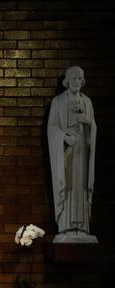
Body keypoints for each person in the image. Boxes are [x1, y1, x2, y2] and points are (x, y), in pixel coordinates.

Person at [47, 65, 98, 243]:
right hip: (66, 153)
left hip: (82, 152)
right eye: (74, 78)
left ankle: (82, 227)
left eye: (80, 78)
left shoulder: (87, 102)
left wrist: (88, 122)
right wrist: (64, 138)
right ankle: (66, 226)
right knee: (67, 185)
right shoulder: (58, 102)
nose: (77, 82)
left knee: (81, 187)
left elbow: (93, 129)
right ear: (67, 81)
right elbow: (52, 127)